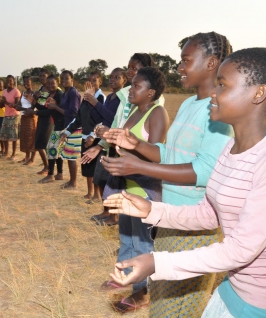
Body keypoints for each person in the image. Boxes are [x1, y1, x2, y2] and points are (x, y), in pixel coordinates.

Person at [105, 47, 266, 318]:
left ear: (259, 93)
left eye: (223, 85)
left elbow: (240, 249)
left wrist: (154, 262)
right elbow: (210, 213)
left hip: (260, 304)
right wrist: (151, 210)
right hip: (233, 291)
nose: (214, 93)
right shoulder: (232, 147)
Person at [102, 67, 169, 313]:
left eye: (137, 86)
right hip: (127, 186)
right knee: (127, 238)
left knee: (142, 244)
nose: (131, 89)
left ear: (150, 92)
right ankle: (124, 276)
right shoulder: (133, 112)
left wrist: (128, 158)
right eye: (132, 85)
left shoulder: (157, 113)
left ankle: (142, 291)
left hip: (144, 189)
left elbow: (158, 156)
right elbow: (125, 144)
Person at [83, 53, 163, 227]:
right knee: (121, 196)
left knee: (140, 217)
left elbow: (154, 150)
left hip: (139, 167)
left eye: (134, 68)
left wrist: (113, 135)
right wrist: (101, 144)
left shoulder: (155, 107)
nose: (129, 72)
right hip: (121, 154)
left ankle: (119, 223)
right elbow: (118, 123)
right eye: (129, 68)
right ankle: (115, 220)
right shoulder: (126, 97)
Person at [60, 71, 105, 200]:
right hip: (85, 137)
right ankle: (90, 192)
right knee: (87, 166)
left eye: (94, 81)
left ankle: (97, 194)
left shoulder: (100, 97)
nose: (91, 83)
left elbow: (101, 120)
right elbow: (78, 118)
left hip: (95, 139)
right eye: (89, 81)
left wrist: (92, 135)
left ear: (100, 82)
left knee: (95, 167)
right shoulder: (85, 97)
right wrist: (67, 132)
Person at [87, 68, 127, 204]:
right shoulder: (110, 97)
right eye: (111, 77)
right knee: (100, 177)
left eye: (117, 77)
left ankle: (111, 212)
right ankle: (107, 208)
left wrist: (95, 103)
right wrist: (90, 104)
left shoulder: (123, 100)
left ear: (124, 81)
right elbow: (100, 116)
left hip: (114, 142)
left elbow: (114, 118)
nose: (112, 80)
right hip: (105, 141)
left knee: (110, 178)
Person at [56, 70, 81, 189]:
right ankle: (71, 181)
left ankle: (73, 183)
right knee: (69, 155)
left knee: (72, 156)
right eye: (62, 78)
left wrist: (56, 107)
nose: (64, 81)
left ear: (72, 79)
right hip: (68, 127)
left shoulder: (73, 93)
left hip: (74, 127)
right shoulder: (65, 93)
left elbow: (73, 113)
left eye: (67, 78)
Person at [38, 75, 64, 183]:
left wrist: (35, 112)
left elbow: (52, 111)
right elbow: (44, 108)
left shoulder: (59, 95)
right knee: (57, 150)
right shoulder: (50, 94)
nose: (50, 85)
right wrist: (35, 102)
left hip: (60, 125)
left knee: (51, 148)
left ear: (57, 83)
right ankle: (60, 173)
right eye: (48, 83)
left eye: (53, 83)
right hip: (56, 124)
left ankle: (50, 175)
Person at [29, 69, 52, 175]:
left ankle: (48, 167)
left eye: (44, 76)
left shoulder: (53, 90)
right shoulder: (40, 89)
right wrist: (34, 98)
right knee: (42, 144)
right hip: (41, 118)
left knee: (41, 144)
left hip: (49, 119)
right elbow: (37, 105)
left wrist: (36, 112)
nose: (42, 78)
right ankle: (48, 166)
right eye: (40, 76)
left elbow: (50, 108)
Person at [0, 75, 21, 159]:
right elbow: (2, 105)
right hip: (6, 115)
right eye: (7, 81)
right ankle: (6, 153)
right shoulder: (4, 91)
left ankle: (13, 154)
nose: (9, 82)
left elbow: (16, 105)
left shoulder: (16, 91)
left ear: (13, 82)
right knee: (4, 135)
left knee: (13, 136)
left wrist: (6, 102)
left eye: (10, 81)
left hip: (14, 116)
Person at [17, 75, 37, 165]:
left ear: (31, 83)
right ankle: (27, 157)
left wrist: (24, 108)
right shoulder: (22, 93)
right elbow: (18, 105)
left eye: (27, 82)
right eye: (24, 82)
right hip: (24, 118)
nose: (26, 84)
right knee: (25, 137)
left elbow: (34, 107)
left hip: (31, 118)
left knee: (32, 137)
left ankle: (32, 159)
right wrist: (21, 108)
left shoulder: (34, 93)